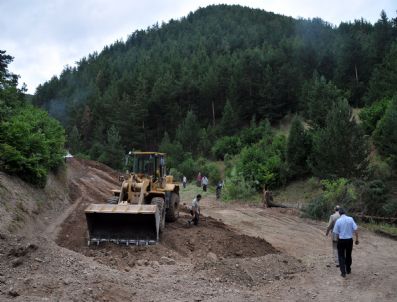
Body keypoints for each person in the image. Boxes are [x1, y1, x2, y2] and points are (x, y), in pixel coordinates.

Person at [333, 208, 359, 278]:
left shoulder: (338, 221)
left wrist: (338, 240)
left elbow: (336, 233)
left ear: (339, 214)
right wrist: (357, 239)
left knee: (341, 256)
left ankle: (343, 272)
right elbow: (356, 229)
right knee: (348, 254)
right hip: (349, 240)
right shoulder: (350, 219)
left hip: (341, 240)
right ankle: (348, 269)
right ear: (345, 213)